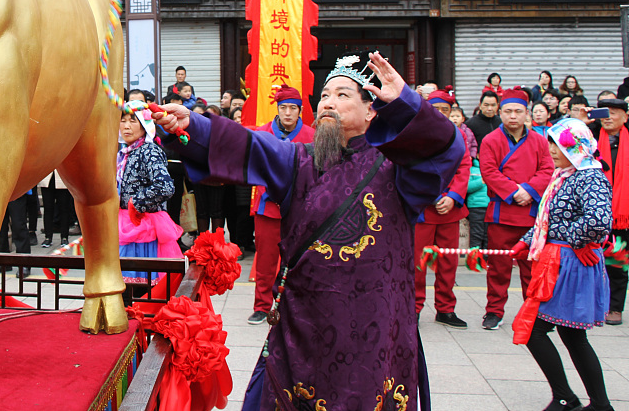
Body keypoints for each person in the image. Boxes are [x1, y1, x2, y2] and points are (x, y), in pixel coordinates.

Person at [155, 52, 464, 410]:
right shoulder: (298, 160)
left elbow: (447, 151)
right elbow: (250, 145)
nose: (329, 103)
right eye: (325, 96)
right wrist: (193, 124)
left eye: (343, 95)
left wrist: (408, 103)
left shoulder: (398, 170)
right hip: (305, 326)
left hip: (376, 330)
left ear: (371, 110)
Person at [512, 117, 613, 411]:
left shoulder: (589, 177)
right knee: (571, 335)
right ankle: (596, 404)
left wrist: (571, 241)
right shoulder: (565, 174)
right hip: (560, 259)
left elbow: (598, 222)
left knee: (534, 330)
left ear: (577, 147)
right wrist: (528, 240)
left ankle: (567, 398)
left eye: (559, 145)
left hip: (570, 262)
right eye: (551, 144)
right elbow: (549, 218)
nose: (552, 150)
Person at [478, 89, 552, 330]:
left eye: (518, 112)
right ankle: (494, 312)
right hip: (501, 211)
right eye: (508, 111)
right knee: (498, 268)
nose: (513, 116)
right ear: (500, 113)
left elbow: (547, 170)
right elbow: (489, 172)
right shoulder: (491, 140)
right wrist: (513, 192)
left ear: (526, 114)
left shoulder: (540, 141)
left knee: (531, 269)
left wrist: (528, 191)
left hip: (530, 213)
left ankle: (534, 314)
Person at [247, 85, 315, 325]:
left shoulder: (311, 135)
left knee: (298, 260)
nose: (287, 113)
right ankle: (262, 306)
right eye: (283, 107)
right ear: (277, 108)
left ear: (301, 110)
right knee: (265, 260)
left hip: (300, 209)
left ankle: (295, 306)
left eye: (292, 108)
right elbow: (253, 167)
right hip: (268, 206)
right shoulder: (263, 132)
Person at [415, 89, 471, 328]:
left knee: (448, 262)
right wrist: (434, 195)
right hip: (424, 210)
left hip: (450, 210)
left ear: (452, 112)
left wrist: (454, 196)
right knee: (417, 263)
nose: (440, 115)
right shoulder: (416, 134)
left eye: (445, 111)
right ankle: (413, 307)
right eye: (435, 110)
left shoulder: (459, 136)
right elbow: (411, 167)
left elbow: (464, 166)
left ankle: (445, 309)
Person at [116, 108, 181, 284]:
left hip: (143, 224)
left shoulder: (149, 150)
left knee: (142, 285)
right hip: (123, 224)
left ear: (144, 126)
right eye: (123, 121)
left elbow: (165, 186)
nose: (126, 126)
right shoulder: (122, 152)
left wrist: (136, 202)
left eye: (132, 121)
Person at [596, 97, 629, 325]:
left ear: (625, 117)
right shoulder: (589, 140)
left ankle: (615, 307)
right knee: (592, 261)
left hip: (622, 214)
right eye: (604, 113)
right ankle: (595, 304)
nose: (608, 117)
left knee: (617, 260)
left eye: (614, 113)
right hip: (595, 211)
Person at [452, 105, 489, 249]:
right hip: (475, 206)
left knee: (487, 234)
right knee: (476, 233)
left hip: (488, 205)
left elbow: (472, 145)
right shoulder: (473, 168)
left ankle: (486, 256)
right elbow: (467, 186)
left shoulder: (488, 168)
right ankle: (474, 258)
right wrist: (481, 181)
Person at [38, 170, 73, 249]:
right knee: (48, 209)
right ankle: (48, 237)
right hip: (47, 176)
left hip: (63, 177)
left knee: (64, 209)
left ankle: (64, 237)